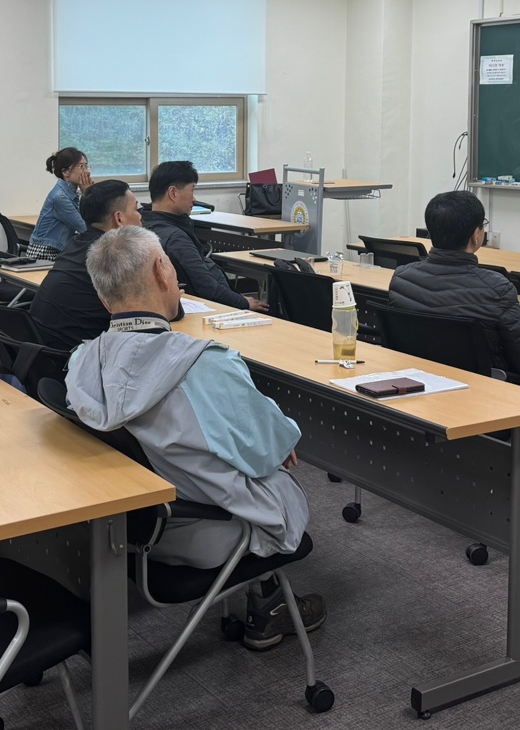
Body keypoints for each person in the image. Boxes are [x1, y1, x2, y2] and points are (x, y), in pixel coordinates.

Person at [66, 226, 325, 650]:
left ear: (102, 296)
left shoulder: (82, 361)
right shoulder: (204, 366)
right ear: (162, 271)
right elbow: (270, 451)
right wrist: (276, 437)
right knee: (267, 477)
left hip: (132, 528)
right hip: (211, 528)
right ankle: (270, 606)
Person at [387, 190, 520, 377]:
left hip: (419, 378)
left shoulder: (401, 278)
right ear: (476, 236)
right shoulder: (497, 289)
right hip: (482, 386)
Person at [29, 178, 145, 348]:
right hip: (74, 356)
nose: (141, 216)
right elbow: (159, 310)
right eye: (136, 209)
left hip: (39, 351)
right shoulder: (115, 255)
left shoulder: (75, 244)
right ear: (119, 218)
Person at [142, 160, 267, 312]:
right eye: (192, 190)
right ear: (173, 193)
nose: (194, 199)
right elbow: (207, 288)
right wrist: (243, 303)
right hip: (210, 309)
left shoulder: (145, 225)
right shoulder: (176, 238)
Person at [29, 147, 91, 259]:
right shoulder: (60, 197)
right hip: (44, 253)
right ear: (65, 172)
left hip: (56, 250)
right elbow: (84, 228)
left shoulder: (70, 193)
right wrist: (87, 194)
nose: (86, 171)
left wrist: (86, 193)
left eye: (86, 166)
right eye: (81, 166)